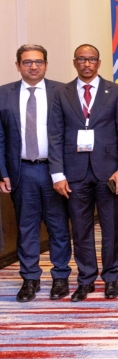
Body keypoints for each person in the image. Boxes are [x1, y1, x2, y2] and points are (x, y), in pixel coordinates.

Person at [49, 44, 118, 302]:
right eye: (82, 59)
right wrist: (57, 174)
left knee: (110, 228)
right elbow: (55, 135)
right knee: (81, 230)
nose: (87, 63)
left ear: (99, 62)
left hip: (108, 173)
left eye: (92, 59)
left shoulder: (116, 91)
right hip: (74, 173)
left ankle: (110, 279)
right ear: (75, 62)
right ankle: (85, 280)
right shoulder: (61, 93)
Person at [0, 45, 72, 302]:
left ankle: (61, 277)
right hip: (22, 171)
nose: (33, 66)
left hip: (54, 171)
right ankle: (30, 279)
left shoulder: (62, 91)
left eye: (39, 62)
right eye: (27, 62)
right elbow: (0, 137)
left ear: (46, 64)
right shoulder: (3, 94)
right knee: (26, 228)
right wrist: (2, 172)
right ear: (18, 65)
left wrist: (64, 172)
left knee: (58, 227)